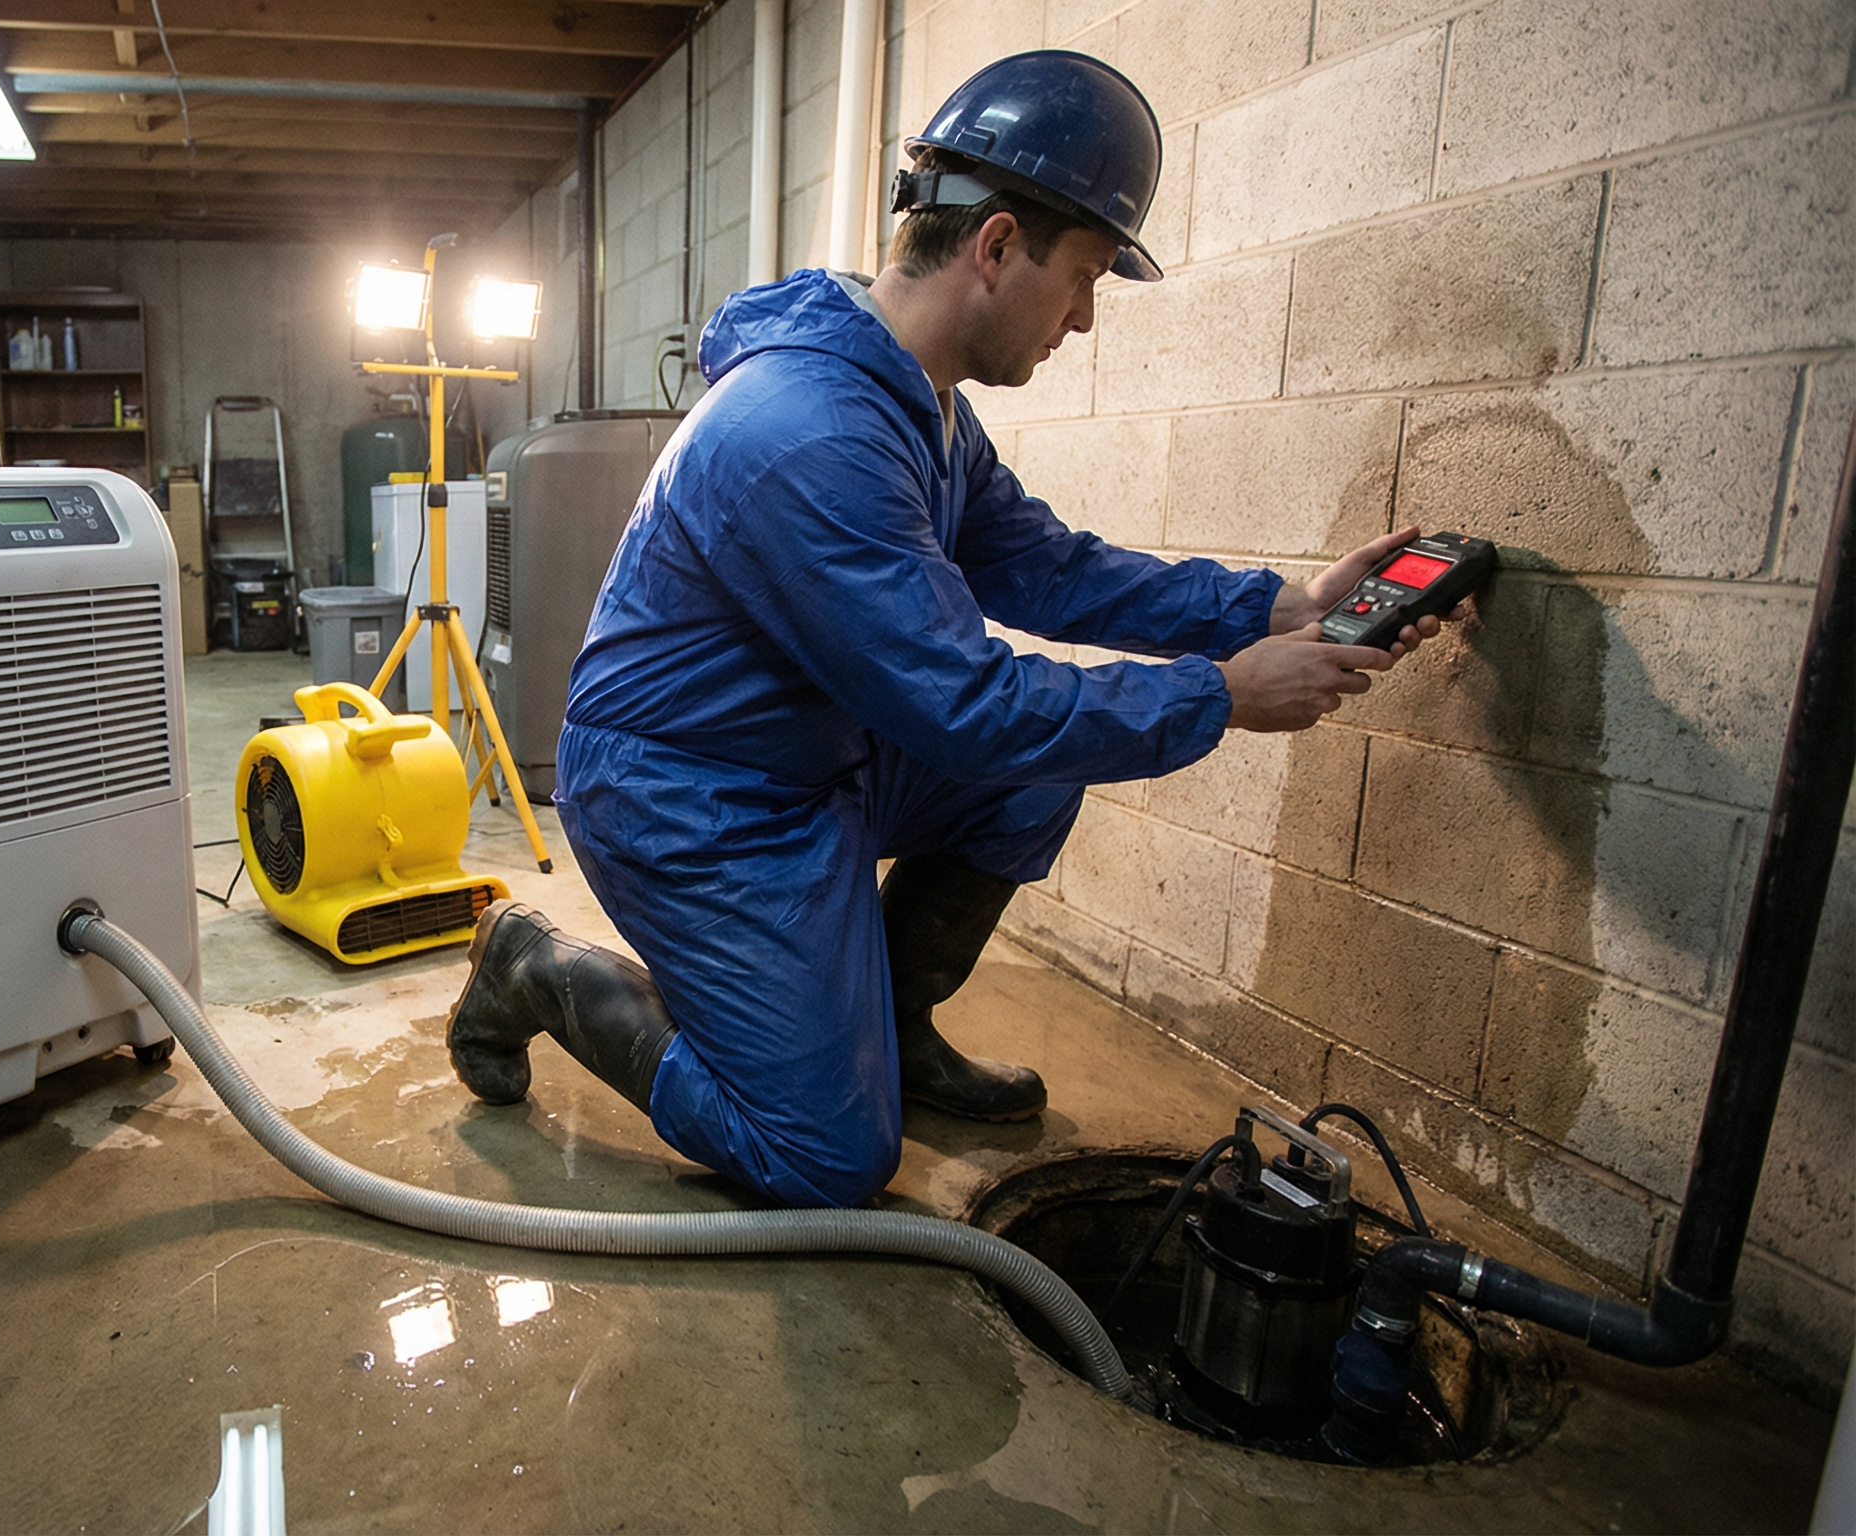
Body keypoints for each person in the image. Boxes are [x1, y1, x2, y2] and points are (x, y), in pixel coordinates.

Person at [444, 50, 1462, 1209]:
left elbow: (1041, 565)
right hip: (690, 793)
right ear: (994, 247)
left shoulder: (914, 403)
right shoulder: (809, 432)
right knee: (823, 1155)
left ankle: (894, 1029)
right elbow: (962, 704)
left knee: (1025, 782)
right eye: (1082, 276)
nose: (1082, 319)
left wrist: (1279, 607)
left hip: (808, 748)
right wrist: (1221, 696)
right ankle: (535, 967)